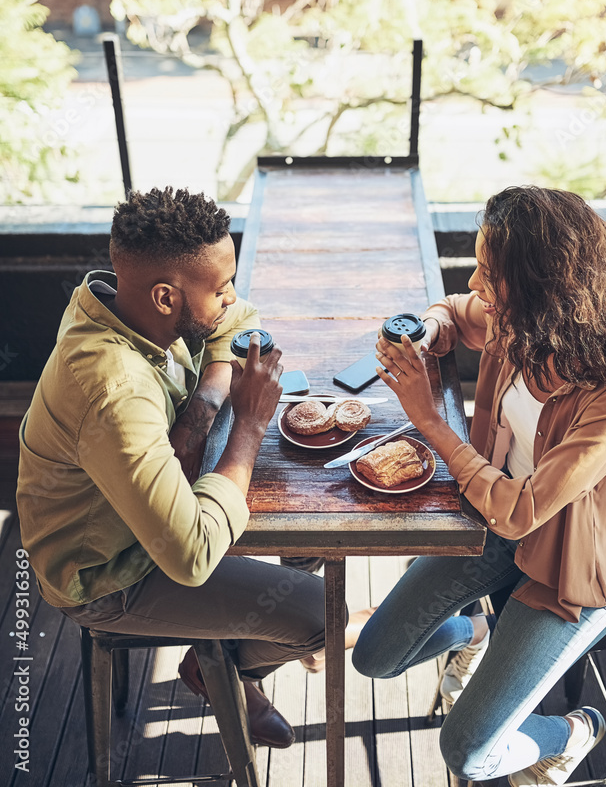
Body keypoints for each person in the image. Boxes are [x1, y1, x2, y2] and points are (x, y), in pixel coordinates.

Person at [16, 186, 369, 750]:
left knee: (302, 536)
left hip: (155, 507)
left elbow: (239, 323)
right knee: (318, 614)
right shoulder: (116, 390)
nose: (233, 297)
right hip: (109, 574)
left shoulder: (115, 305)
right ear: (165, 297)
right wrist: (249, 424)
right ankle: (224, 670)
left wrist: (201, 411)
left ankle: (220, 657)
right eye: (221, 287)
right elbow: (191, 556)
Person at [353, 186, 606, 786]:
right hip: (493, 529)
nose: (475, 284)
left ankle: (574, 731)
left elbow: (521, 513)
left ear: (543, 289)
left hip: (571, 569)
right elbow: (453, 310)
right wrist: (428, 331)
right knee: (374, 656)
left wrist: (429, 420)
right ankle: (478, 630)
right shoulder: (513, 323)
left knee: (468, 753)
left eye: (488, 275)